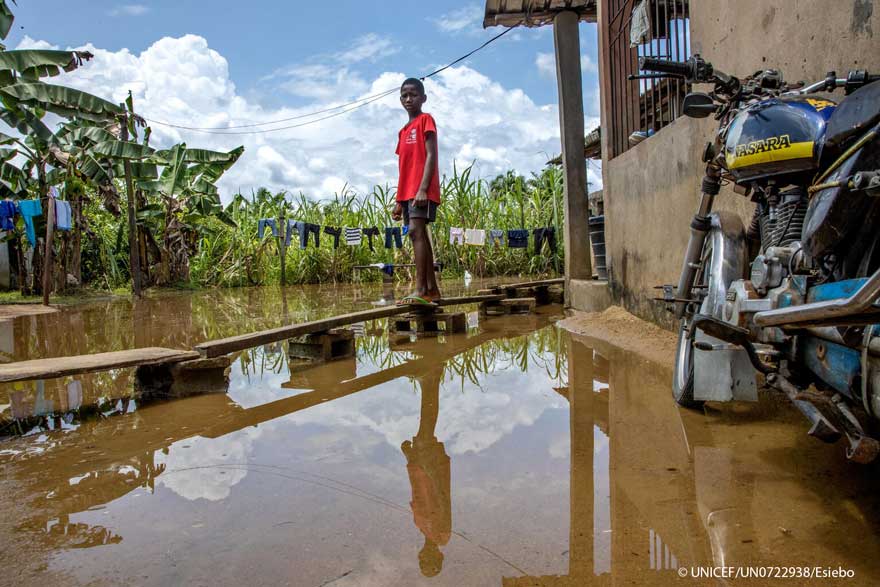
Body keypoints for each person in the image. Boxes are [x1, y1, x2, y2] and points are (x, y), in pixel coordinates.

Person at [392, 77, 442, 305]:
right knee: (417, 234)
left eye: (413, 94)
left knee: (416, 232)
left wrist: (423, 188)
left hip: (422, 190)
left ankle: (421, 289)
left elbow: (431, 155)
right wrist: (399, 200)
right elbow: (404, 167)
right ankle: (432, 290)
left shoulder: (425, 120)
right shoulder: (403, 132)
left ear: (423, 98)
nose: (408, 98)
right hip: (407, 193)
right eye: (404, 95)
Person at [401, 367, 451, 577]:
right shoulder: (442, 535)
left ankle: (429, 381)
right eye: (430, 560)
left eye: (423, 560)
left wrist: (409, 458)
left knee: (425, 430)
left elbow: (416, 494)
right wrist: (431, 470)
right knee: (426, 431)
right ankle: (431, 380)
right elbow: (441, 498)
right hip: (431, 470)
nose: (425, 555)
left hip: (421, 468)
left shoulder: (422, 528)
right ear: (439, 556)